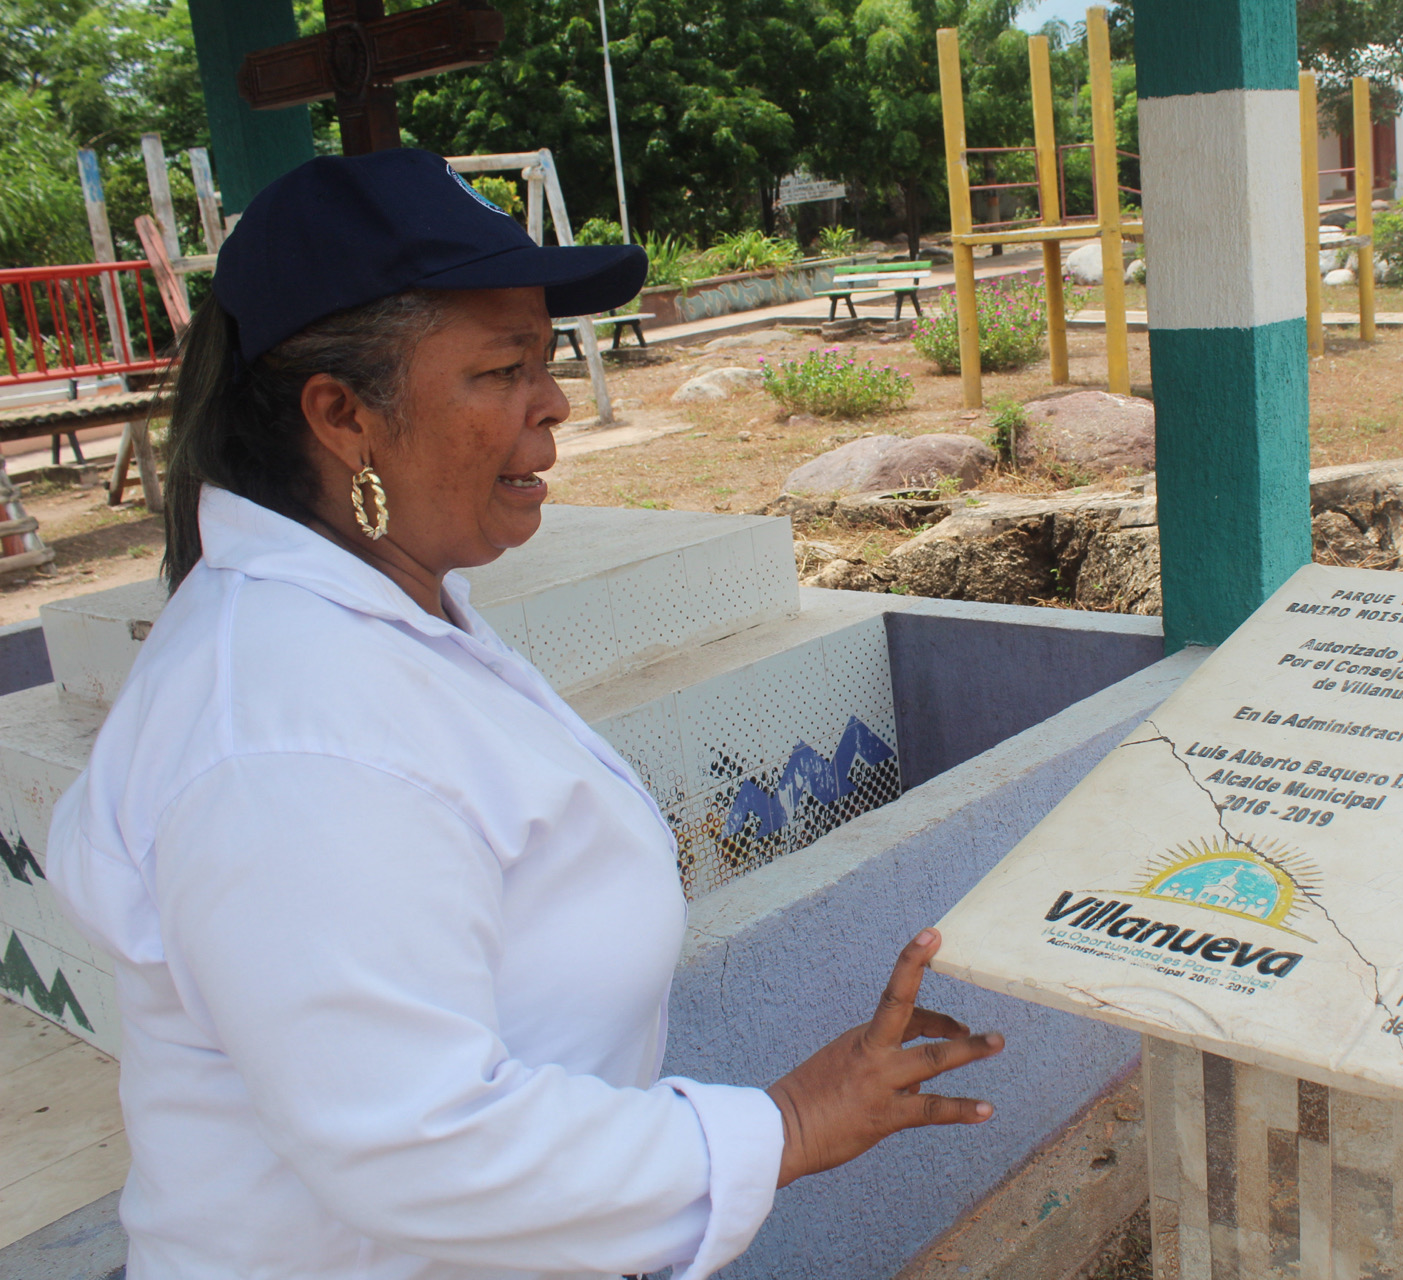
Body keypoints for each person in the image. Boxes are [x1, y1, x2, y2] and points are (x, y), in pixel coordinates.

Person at [48, 149, 1002, 1280]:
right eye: (503, 369)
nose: (553, 400)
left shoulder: (394, 616)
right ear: (344, 417)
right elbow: (421, 1141)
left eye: (543, 359)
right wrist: (785, 1125)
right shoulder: (287, 733)